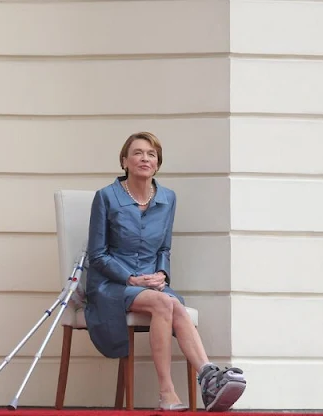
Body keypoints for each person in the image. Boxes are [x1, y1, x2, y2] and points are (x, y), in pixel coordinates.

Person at [84, 132, 246, 412]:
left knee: (170, 302)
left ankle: (207, 376)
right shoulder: (106, 197)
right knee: (164, 302)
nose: (144, 158)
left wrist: (162, 274)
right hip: (111, 285)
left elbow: (164, 249)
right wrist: (130, 278)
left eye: (151, 154)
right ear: (124, 161)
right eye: (137, 153)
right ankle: (167, 392)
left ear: (157, 163)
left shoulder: (168, 198)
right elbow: (97, 255)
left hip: (151, 283)